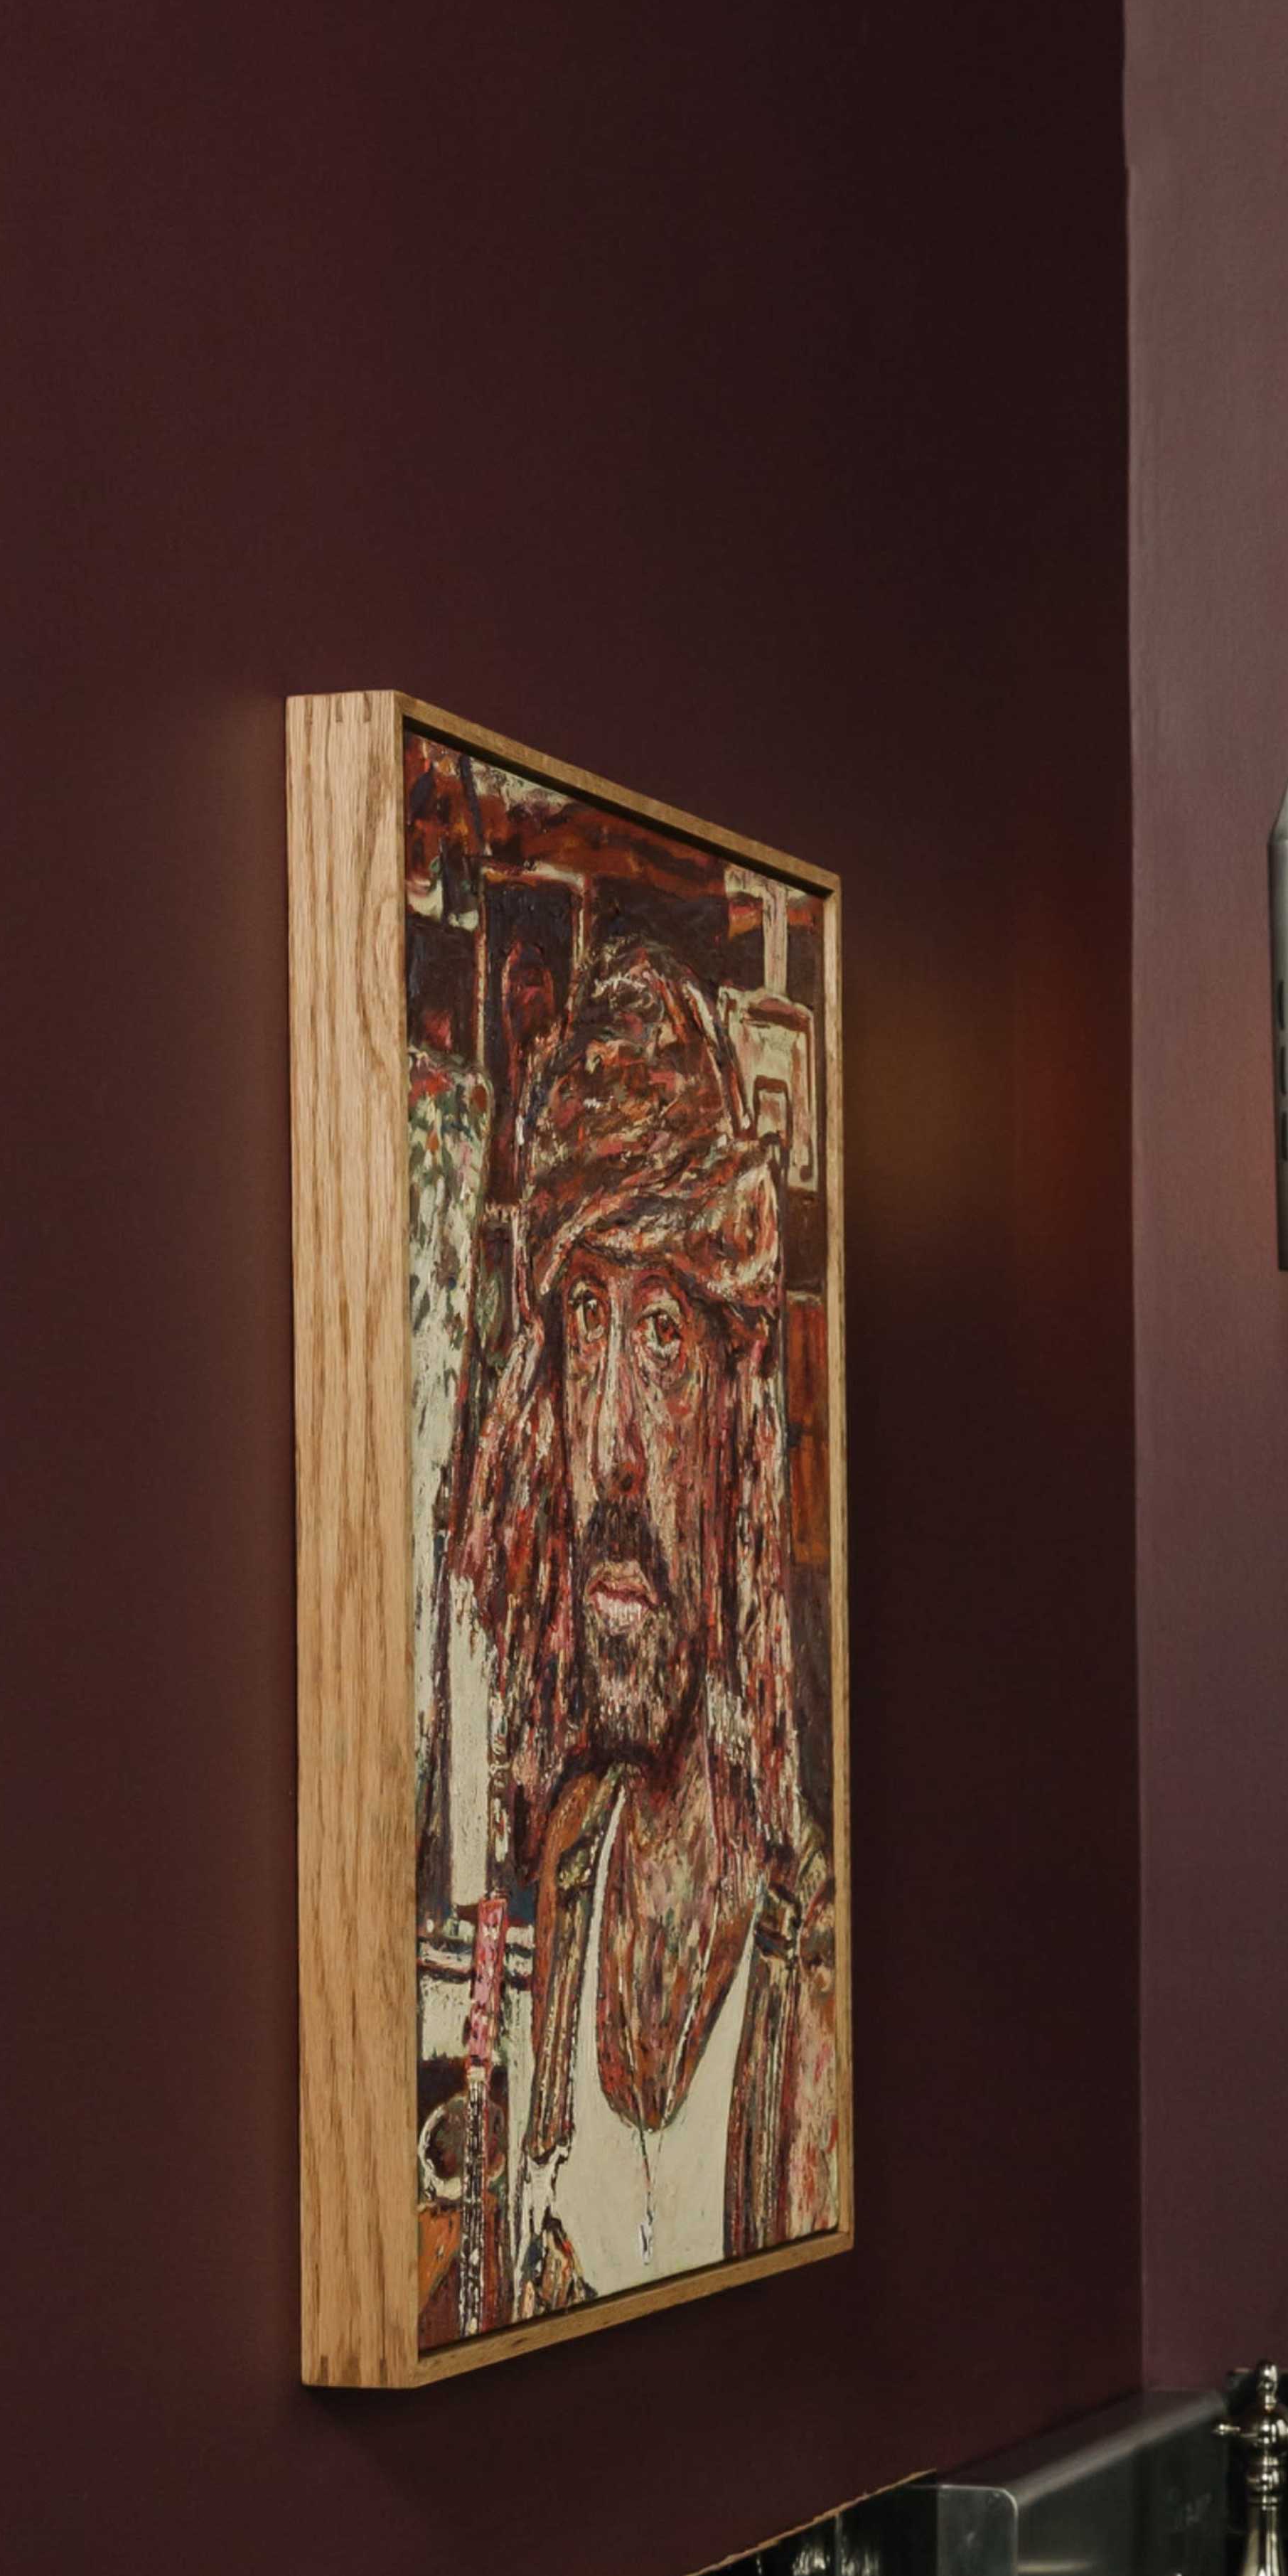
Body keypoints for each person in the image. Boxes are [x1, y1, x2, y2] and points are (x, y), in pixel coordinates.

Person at [445, 919, 837, 2323]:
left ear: (741, 1413)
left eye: (664, 1339)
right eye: (585, 1330)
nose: (608, 1436)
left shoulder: (814, 1982)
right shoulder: (567, 1870)